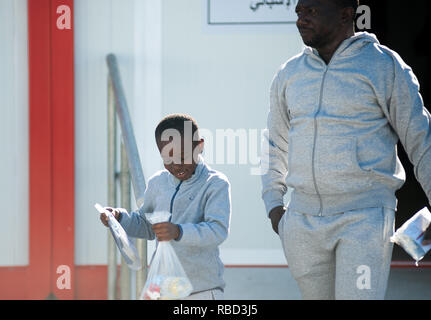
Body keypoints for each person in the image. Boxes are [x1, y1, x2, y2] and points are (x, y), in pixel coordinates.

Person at [261, 0, 431, 300]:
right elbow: (275, 142)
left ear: (344, 14)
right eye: (298, 12)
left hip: (363, 219)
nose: (301, 19)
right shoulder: (289, 73)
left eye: (311, 11)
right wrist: (275, 207)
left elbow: (421, 140)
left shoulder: (383, 65)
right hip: (302, 222)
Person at [100, 114, 232, 300]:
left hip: (202, 291)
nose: (177, 164)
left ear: (199, 146)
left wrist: (178, 231)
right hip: (164, 292)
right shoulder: (158, 183)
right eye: (168, 159)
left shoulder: (215, 183)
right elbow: (146, 225)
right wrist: (118, 217)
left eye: (183, 156)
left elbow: (218, 230)